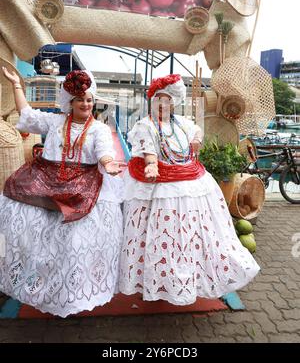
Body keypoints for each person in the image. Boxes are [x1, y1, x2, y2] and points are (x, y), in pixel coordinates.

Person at [119, 74, 260, 305]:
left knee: (185, 237)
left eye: (167, 100)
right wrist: (152, 165)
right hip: (159, 187)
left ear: (173, 103)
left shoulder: (181, 124)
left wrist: (196, 139)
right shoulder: (145, 126)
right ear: (152, 102)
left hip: (187, 179)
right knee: (160, 235)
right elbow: (149, 150)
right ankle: (158, 278)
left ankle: (185, 277)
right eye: (158, 100)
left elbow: (196, 130)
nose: (162, 104)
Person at [0, 67, 125, 317]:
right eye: (81, 100)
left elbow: (104, 151)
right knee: (35, 233)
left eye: (90, 100)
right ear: (70, 102)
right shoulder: (56, 121)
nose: (86, 104)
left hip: (84, 189)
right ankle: (38, 285)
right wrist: (16, 85)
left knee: (72, 243)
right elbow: (28, 115)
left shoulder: (98, 129)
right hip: (48, 183)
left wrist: (108, 163)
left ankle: (70, 293)